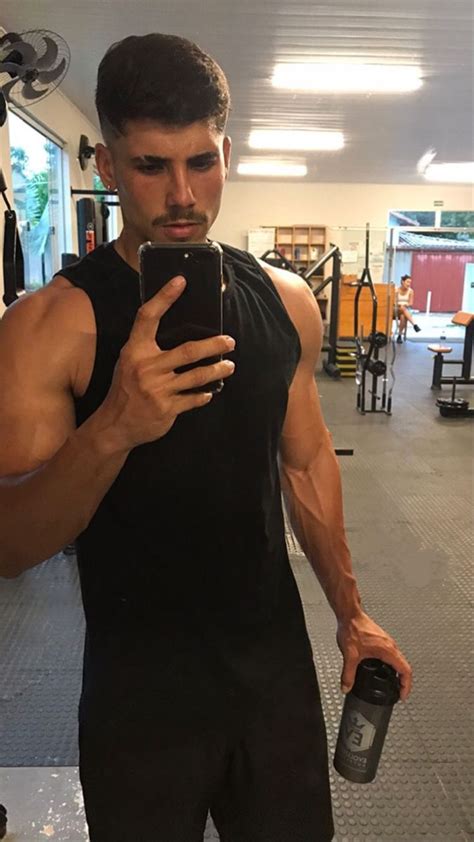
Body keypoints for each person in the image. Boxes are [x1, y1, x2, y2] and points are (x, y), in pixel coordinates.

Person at [0, 33, 413, 842]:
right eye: (151, 166)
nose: (183, 194)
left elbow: (305, 463)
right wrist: (112, 429)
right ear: (109, 167)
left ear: (227, 150)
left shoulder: (288, 299)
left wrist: (353, 614)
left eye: (203, 162)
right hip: (139, 684)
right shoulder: (49, 326)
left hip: (272, 666)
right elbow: (10, 545)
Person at [396, 273, 421, 342]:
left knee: (403, 316)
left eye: (410, 282)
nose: (409, 284)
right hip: (396, 309)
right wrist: (399, 305)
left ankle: (399, 335)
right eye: (407, 282)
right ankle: (414, 324)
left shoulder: (411, 291)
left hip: (405, 310)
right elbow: (393, 302)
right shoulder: (396, 290)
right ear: (402, 282)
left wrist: (405, 305)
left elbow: (410, 303)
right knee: (402, 309)